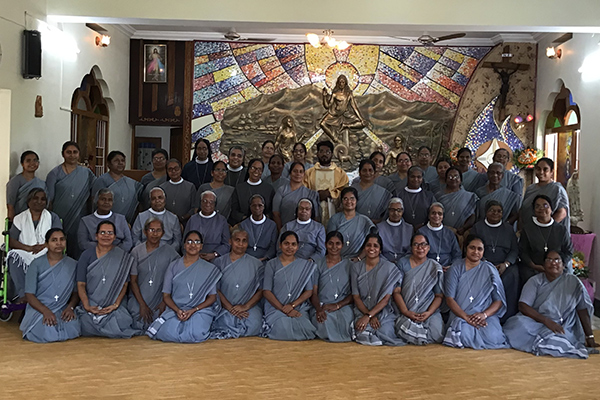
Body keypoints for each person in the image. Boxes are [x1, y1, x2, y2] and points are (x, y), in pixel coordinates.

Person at [504, 250, 598, 359]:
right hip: (536, 322)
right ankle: (549, 343)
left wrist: (590, 336)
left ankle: (549, 343)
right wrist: (546, 321)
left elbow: (582, 309)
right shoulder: (535, 281)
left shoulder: (573, 282)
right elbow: (523, 306)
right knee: (516, 325)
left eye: (557, 260)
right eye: (549, 260)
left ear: (564, 265)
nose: (553, 263)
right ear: (543, 264)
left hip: (561, 325)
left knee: (562, 335)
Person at [146, 231, 222, 343]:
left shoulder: (209, 269)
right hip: (176, 309)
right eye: (189, 242)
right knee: (166, 332)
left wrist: (194, 310)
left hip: (199, 310)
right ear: (184, 245)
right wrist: (177, 310)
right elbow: (166, 295)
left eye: (197, 242)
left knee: (196, 333)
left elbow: (212, 297)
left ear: (201, 246)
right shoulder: (173, 266)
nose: (193, 245)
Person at [443, 235, 508, 350]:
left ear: (483, 251)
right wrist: (466, 317)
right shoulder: (455, 268)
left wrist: (484, 315)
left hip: (484, 316)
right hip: (460, 315)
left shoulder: (489, 269)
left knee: (494, 337)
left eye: (479, 249)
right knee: (464, 335)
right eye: (472, 248)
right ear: (465, 249)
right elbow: (449, 299)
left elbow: (498, 301)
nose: (476, 252)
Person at [75, 221, 137, 338]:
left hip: (113, 303)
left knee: (122, 320)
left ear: (114, 237)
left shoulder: (122, 256)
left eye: (110, 233)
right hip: (91, 301)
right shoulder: (86, 255)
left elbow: (124, 284)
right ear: (96, 236)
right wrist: (87, 305)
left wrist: (115, 304)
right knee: (82, 321)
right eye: (102, 232)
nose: (106, 236)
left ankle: (101, 326)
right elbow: (81, 284)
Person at [20, 228, 80, 343]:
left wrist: (70, 307)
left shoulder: (73, 264)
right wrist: (45, 311)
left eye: (62, 239)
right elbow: (29, 294)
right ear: (47, 244)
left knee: (72, 328)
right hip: (39, 308)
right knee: (47, 330)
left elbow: (76, 292)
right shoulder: (36, 264)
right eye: (54, 240)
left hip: (61, 308)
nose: (59, 243)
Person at [469, 200, 520, 323]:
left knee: (513, 275)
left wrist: (506, 264)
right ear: (486, 212)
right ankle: (482, 312)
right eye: (492, 210)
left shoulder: (508, 229)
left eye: (499, 211)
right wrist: (485, 263)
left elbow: (514, 250)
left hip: (504, 264)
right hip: (483, 263)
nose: (495, 213)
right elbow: (472, 247)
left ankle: (507, 316)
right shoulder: (478, 227)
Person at [261, 231, 317, 340]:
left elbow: (309, 291)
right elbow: (266, 291)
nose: (290, 247)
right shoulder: (271, 264)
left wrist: (292, 306)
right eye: (286, 243)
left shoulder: (304, 265)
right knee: (282, 327)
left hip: (297, 307)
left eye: (293, 244)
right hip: (275, 307)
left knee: (306, 329)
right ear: (280, 245)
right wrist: (284, 309)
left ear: (297, 247)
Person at [8, 188, 62, 301]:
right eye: (35, 198)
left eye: (43, 199)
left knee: (53, 254)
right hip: (25, 251)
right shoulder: (19, 218)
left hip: (46, 249)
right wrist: (28, 248)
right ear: (28, 201)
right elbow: (12, 241)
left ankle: (43, 294)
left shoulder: (52, 217)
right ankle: (24, 295)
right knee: (13, 257)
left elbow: (58, 237)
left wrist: (44, 246)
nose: (39, 201)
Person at [351, 233, 405, 346]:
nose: (372, 248)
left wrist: (369, 316)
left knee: (385, 333)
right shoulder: (356, 267)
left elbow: (386, 299)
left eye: (375, 246)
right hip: (362, 309)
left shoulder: (389, 268)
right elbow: (356, 297)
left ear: (380, 250)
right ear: (364, 248)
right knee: (362, 331)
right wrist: (367, 315)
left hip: (383, 311)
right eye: (368, 245)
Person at [127, 218, 180, 333]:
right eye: (151, 230)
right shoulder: (136, 252)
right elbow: (133, 281)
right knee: (136, 317)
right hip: (139, 297)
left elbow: (177, 278)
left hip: (160, 298)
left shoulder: (169, 251)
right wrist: (142, 305)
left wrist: (165, 301)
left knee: (162, 319)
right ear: (145, 232)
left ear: (163, 233)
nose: (155, 234)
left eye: (158, 230)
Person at [210, 229, 264, 339]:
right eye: (237, 240)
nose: (240, 244)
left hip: (248, 307)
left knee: (254, 323)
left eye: (244, 241)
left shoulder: (256, 264)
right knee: (224, 322)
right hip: (225, 306)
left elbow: (261, 290)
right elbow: (215, 289)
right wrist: (230, 308)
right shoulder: (219, 262)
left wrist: (245, 306)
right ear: (230, 241)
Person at [45, 141, 96, 257]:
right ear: (63, 154)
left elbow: (94, 193)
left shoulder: (86, 173)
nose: (72, 155)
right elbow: (49, 200)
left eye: (75, 152)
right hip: (60, 217)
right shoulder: (54, 173)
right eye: (68, 152)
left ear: (79, 154)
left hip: (80, 216)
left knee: (80, 244)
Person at [393, 234, 444, 345]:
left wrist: (429, 312)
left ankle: (417, 336)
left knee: (436, 334)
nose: (420, 248)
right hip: (407, 309)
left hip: (428, 310)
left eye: (423, 244)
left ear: (428, 247)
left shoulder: (434, 266)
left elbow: (439, 296)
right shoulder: (403, 263)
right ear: (411, 247)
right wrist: (406, 312)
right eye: (416, 244)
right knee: (403, 326)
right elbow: (396, 291)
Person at [519, 195, 573, 284]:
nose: (541, 208)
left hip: (557, 268)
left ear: (551, 209)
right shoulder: (528, 229)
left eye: (545, 205)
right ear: (533, 210)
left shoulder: (561, 229)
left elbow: (568, 251)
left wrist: (559, 265)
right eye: (537, 206)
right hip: (534, 269)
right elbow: (523, 252)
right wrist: (533, 265)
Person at [310, 231, 353, 342]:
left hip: (343, 305)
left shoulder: (350, 265)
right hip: (322, 305)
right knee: (323, 320)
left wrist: (338, 305)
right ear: (325, 244)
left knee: (346, 319)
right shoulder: (318, 264)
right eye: (330, 243)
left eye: (337, 243)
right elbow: (313, 293)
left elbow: (354, 293)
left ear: (342, 245)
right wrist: (319, 309)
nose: (334, 247)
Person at [304, 140, 349, 226]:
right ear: (317, 154)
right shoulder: (309, 173)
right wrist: (317, 195)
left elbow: (345, 191)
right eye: (321, 151)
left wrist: (330, 194)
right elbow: (304, 191)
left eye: (327, 152)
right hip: (314, 212)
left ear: (332, 154)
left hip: (333, 210)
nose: (324, 154)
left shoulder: (340, 173)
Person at [91, 151, 142, 225]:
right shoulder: (102, 181)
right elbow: (95, 203)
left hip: (127, 223)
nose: (120, 163)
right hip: (105, 222)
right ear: (108, 164)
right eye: (116, 161)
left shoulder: (131, 183)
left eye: (122, 161)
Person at [520, 157, 570, 231]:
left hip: (549, 233)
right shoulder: (530, 189)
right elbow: (523, 210)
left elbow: (562, 213)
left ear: (551, 172)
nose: (541, 172)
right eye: (538, 169)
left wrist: (545, 228)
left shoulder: (557, 189)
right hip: (528, 231)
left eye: (545, 169)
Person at [77, 188, 133, 255]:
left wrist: (114, 251)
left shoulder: (121, 219)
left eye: (110, 200)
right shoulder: (85, 221)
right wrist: (104, 249)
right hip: (94, 255)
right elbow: (83, 244)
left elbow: (128, 242)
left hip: (118, 254)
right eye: (103, 199)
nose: (106, 202)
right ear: (96, 201)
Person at [326, 187, 375, 259]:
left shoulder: (364, 220)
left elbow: (370, 244)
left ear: (356, 201)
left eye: (352, 198)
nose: (349, 201)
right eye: (345, 199)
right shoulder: (335, 219)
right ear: (341, 201)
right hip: (337, 259)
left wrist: (358, 258)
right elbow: (330, 243)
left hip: (359, 260)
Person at [184, 191, 230, 262]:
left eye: (211, 202)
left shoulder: (222, 220)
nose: (207, 204)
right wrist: (193, 255)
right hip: (194, 257)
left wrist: (214, 254)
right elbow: (184, 242)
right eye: (204, 201)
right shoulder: (193, 219)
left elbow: (227, 244)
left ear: (215, 204)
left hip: (216, 258)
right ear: (200, 203)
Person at [131, 187, 181, 252]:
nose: (157, 201)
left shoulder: (173, 218)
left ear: (165, 199)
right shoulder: (141, 216)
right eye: (153, 198)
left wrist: (168, 251)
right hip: (145, 252)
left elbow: (177, 241)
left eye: (160, 198)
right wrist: (144, 250)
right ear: (150, 201)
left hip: (167, 252)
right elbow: (135, 238)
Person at [320, 74, 366, 144]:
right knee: (322, 124)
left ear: (345, 83)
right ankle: (335, 139)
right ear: (338, 83)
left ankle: (346, 125)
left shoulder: (349, 94)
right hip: (334, 115)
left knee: (363, 124)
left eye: (343, 82)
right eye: (340, 82)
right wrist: (324, 97)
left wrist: (361, 118)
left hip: (345, 114)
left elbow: (354, 107)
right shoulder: (335, 94)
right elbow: (327, 106)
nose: (341, 84)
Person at [273, 161, 320, 230]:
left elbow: (315, 216)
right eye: (295, 171)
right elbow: (276, 213)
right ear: (290, 173)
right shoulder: (282, 190)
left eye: (301, 172)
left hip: (305, 231)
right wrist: (281, 230)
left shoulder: (310, 193)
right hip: (286, 229)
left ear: (304, 174)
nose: (298, 174)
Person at [417, 203, 461, 271]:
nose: (436, 216)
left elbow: (457, 254)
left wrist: (451, 266)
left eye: (440, 214)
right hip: (427, 268)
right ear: (428, 215)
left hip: (448, 268)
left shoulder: (449, 233)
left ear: (443, 216)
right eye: (433, 213)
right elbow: (418, 253)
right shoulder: (421, 232)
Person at [230, 159, 275, 225]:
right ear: (248, 169)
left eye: (259, 169)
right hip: (243, 224)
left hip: (264, 225)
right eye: (253, 168)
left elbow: (272, 210)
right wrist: (245, 219)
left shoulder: (269, 189)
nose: (256, 171)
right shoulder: (239, 188)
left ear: (262, 172)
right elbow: (234, 210)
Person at [6, 150, 46, 220]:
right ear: (22, 164)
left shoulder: (42, 183)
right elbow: (10, 205)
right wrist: (12, 222)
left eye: (35, 160)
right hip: (20, 219)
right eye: (28, 161)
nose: (32, 163)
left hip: (38, 220)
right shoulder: (15, 182)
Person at [437, 167, 477, 235]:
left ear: (461, 179)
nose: (453, 179)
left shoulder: (469, 196)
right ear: (446, 180)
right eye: (450, 177)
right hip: (442, 232)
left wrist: (464, 228)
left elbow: (472, 216)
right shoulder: (438, 196)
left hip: (461, 233)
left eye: (456, 176)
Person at [351, 159, 392, 224]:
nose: (367, 173)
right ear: (359, 172)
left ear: (374, 173)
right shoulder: (351, 190)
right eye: (364, 170)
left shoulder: (383, 193)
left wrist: (379, 221)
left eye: (370, 170)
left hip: (376, 226)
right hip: (355, 225)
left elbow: (387, 213)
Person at [240, 194, 278, 262]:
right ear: (250, 207)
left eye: (260, 205)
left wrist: (263, 258)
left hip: (265, 260)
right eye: (254, 205)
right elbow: (240, 245)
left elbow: (273, 247)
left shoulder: (272, 225)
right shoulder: (243, 225)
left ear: (264, 207)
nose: (257, 208)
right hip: (245, 259)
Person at [160, 159, 197, 226]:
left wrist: (183, 217)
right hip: (166, 223)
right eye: (170, 169)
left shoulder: (190, 186)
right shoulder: (162, 187)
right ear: (167, 171)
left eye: (176, 168)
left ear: (181, 169)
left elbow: (194, 207)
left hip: (186, 223)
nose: (173, 171)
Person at [376, 198, 413, 263]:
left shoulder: (409, 228)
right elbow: (377, 249)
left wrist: (402, 262)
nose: (395, 213)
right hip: (384, 262)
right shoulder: (380, 227)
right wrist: (387, 262)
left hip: (405, 262)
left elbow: (410, 250)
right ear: (388, 211)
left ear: (402, 211)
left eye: (399, 210)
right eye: (392, 210)